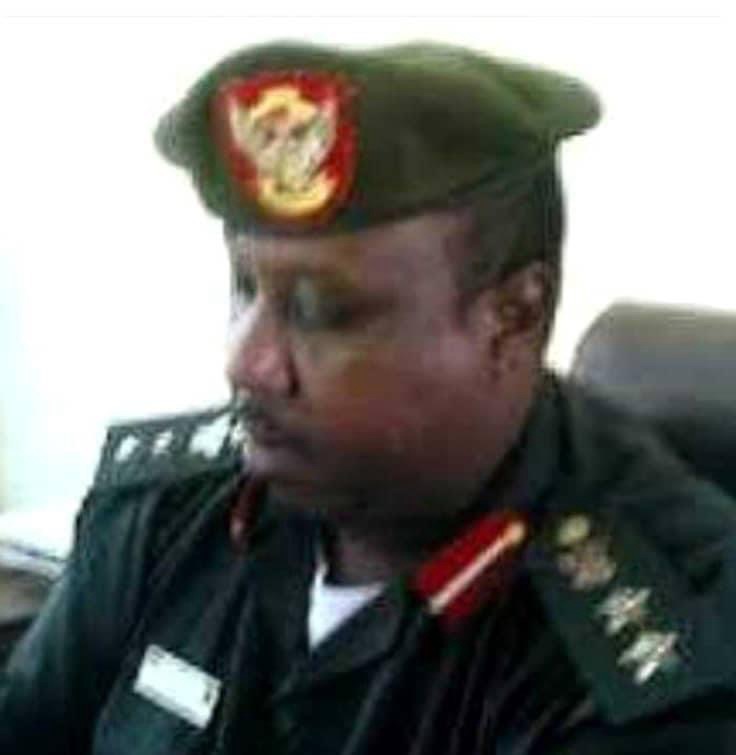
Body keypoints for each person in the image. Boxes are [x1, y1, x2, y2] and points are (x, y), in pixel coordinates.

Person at [1, 40, 735, 754]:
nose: (247, 362)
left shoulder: (660, 639)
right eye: (245, 287)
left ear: (513, 316)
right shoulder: (170, 512)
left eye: (323, 311)